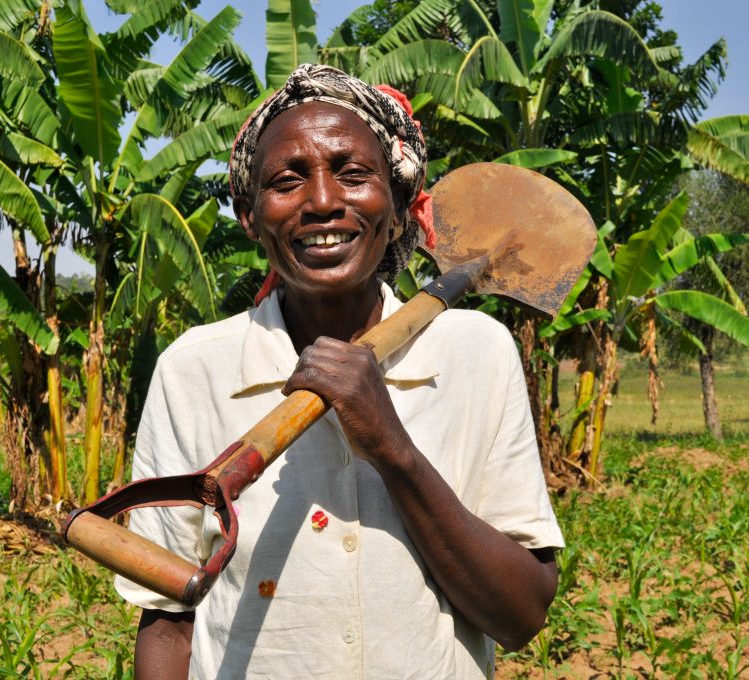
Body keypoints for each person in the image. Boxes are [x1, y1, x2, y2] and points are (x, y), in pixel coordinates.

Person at [116, 64, 564, 680]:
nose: (323, 202)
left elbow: (521, 616)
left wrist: (391, 446)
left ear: (399, 208)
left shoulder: (476, 353)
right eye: (286, 181)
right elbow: (169, 621)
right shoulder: (193, 370)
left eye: (353, 175)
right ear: (248, 216)